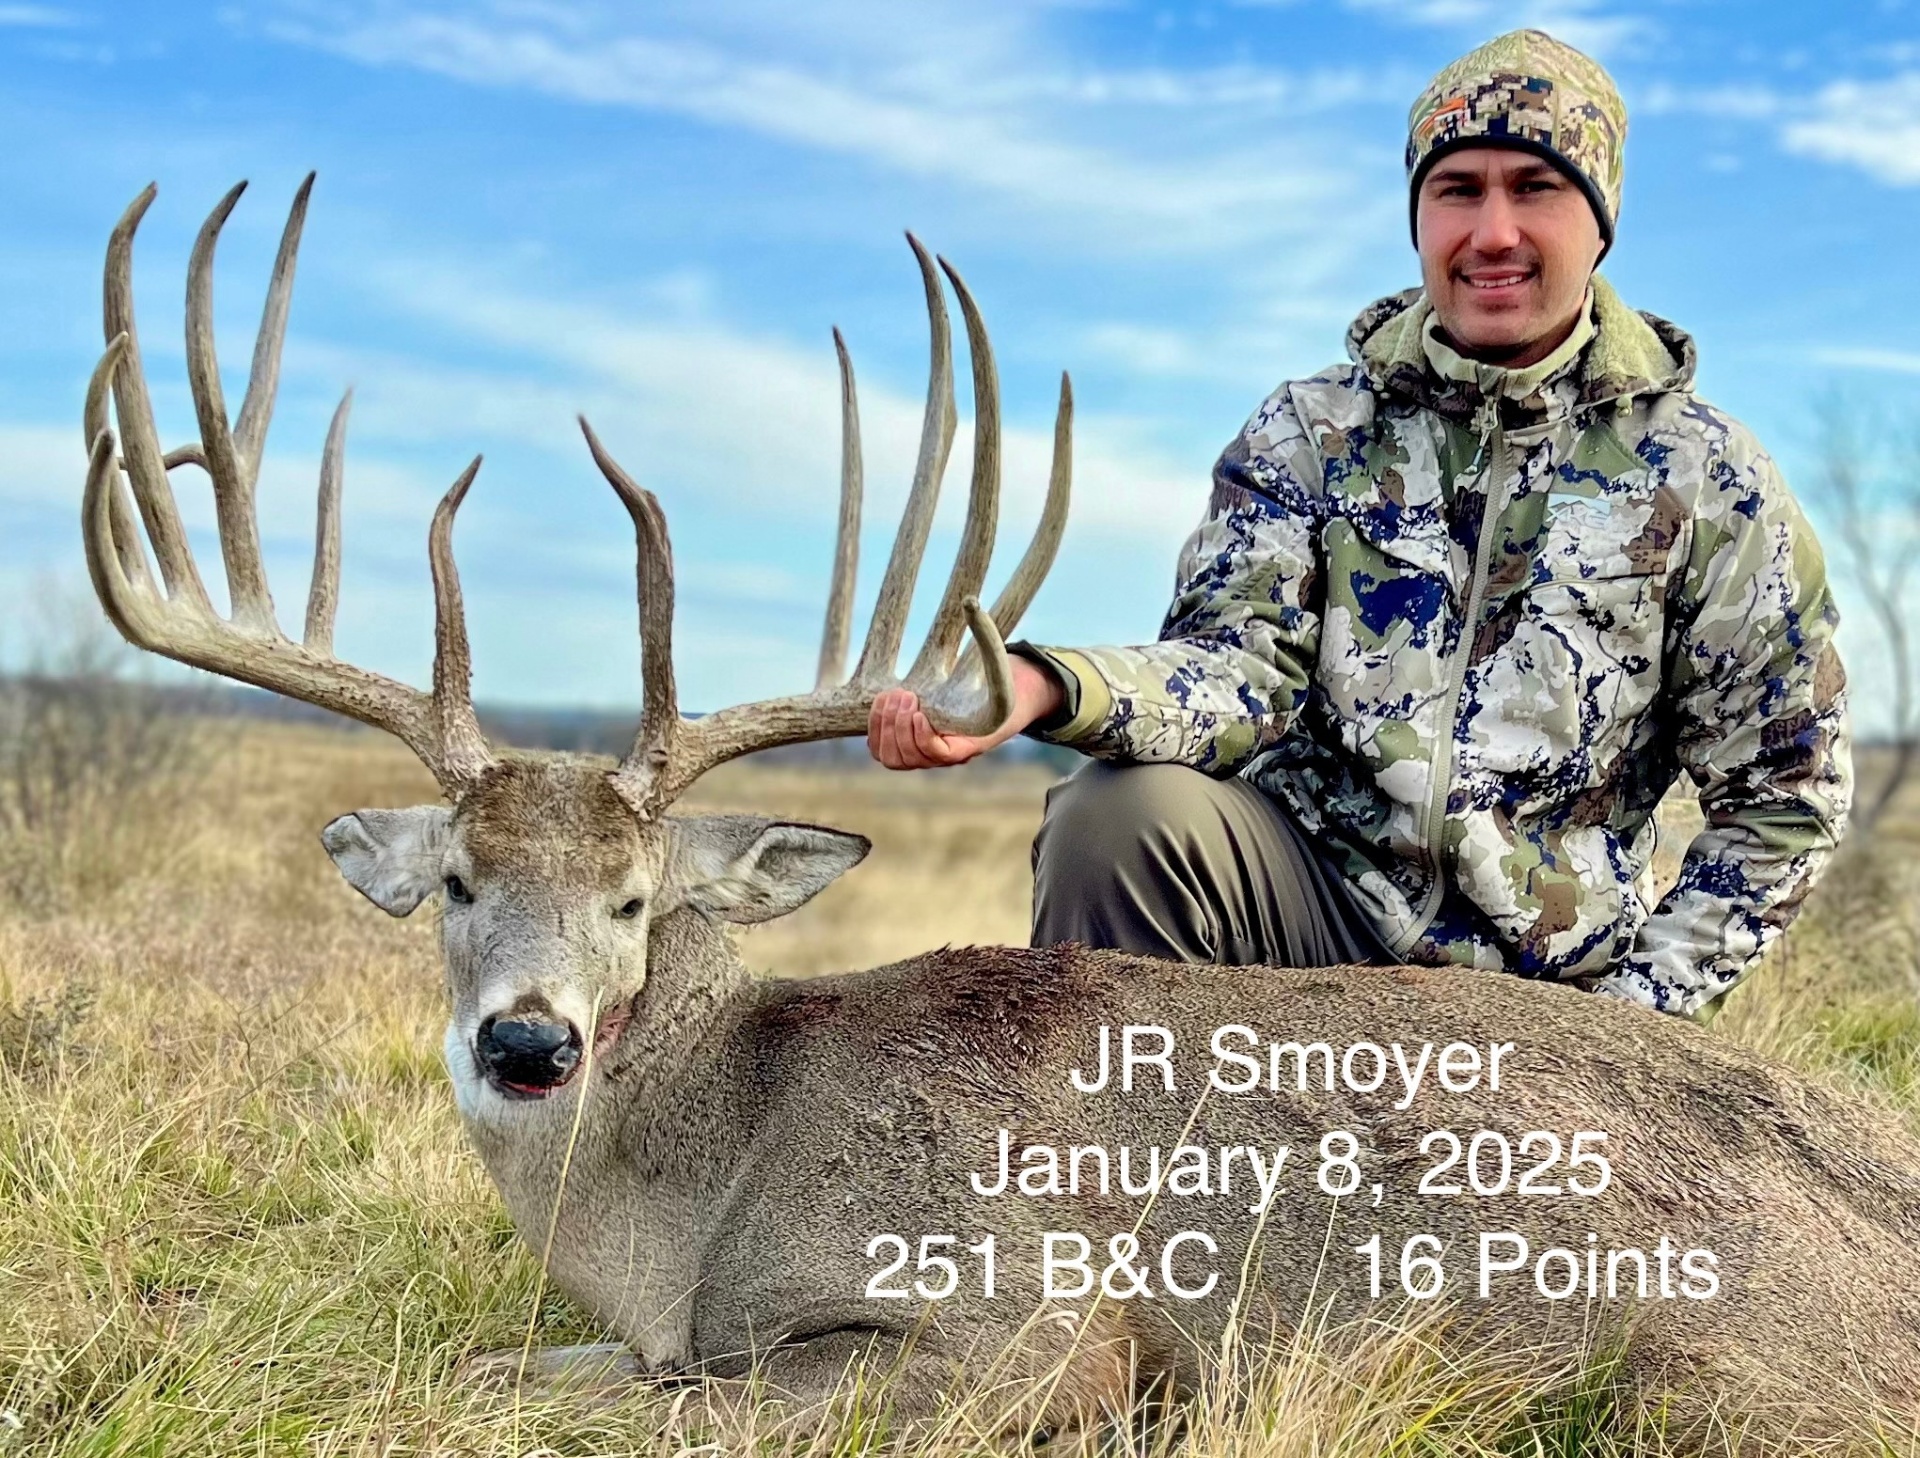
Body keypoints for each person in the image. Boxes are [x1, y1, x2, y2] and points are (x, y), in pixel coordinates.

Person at [867, 28, 1852, 1020]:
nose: (1494, 232)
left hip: (1549, 993)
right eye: (1458, 190)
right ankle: (1140, 1157)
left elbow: (1784, 795)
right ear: (1420, 214)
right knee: (1118, 820)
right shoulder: (1313, 431)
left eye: (1536, 187)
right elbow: (1237, 675)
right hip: (1313, 913)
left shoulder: (1710, 476)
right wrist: (1046, 685)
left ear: (1601, 224)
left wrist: (1635, 1027)